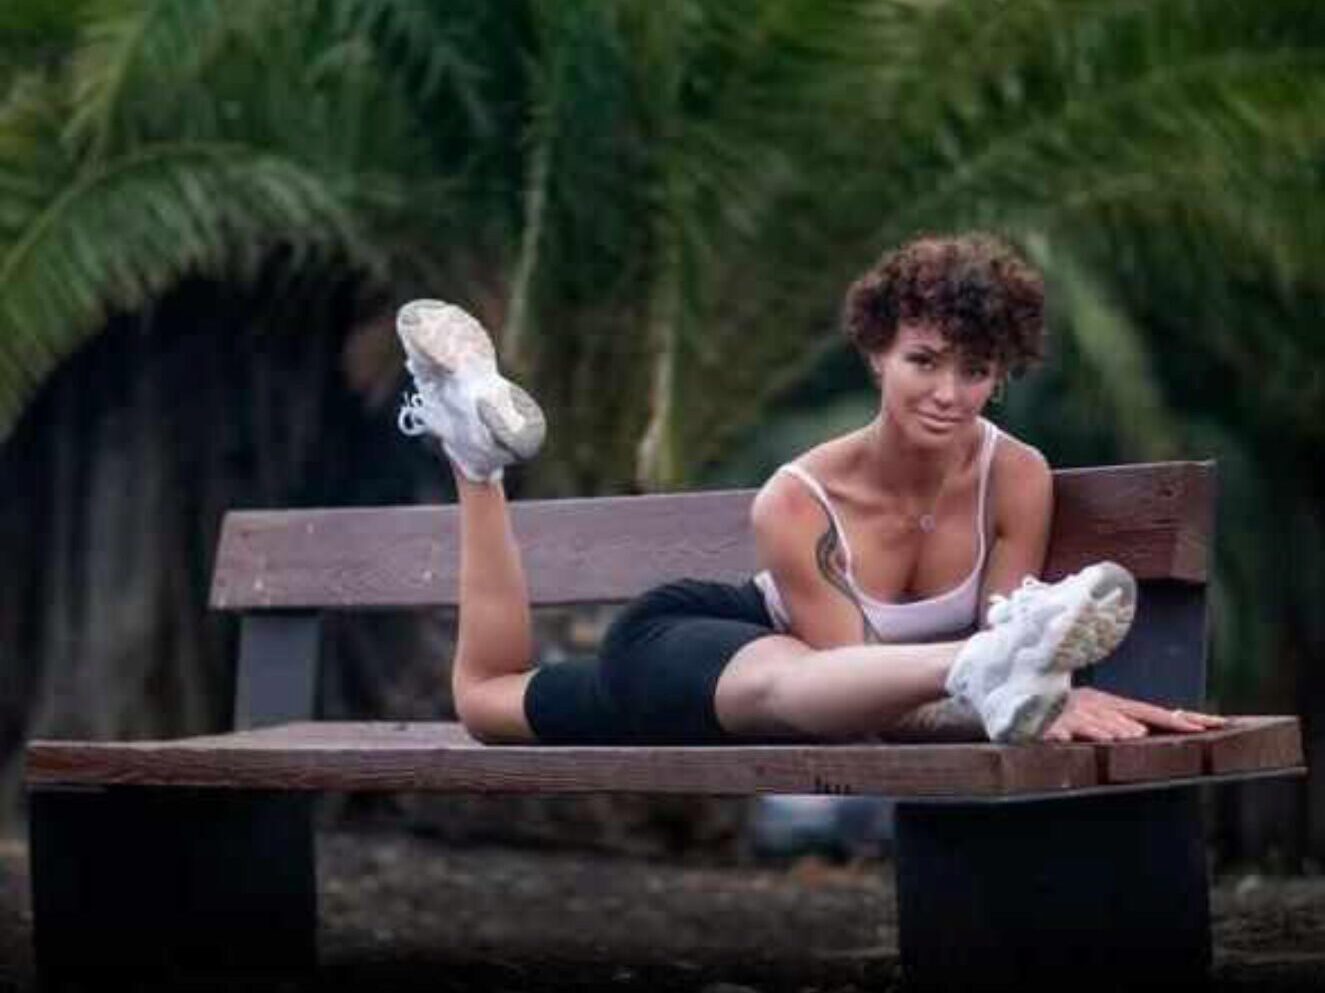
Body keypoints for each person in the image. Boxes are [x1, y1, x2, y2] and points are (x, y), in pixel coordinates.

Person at [395, 232, 1225, 746]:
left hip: (858, 687)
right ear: (875, 354)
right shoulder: (797, 502)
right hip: (694, 646)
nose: (948, 393)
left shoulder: (1015, 475)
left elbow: (999, 666)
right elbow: (869, 702)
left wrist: (1030, 691)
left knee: (488, 701)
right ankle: (472, 457)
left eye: (976, 370)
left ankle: (472, 448)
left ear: (1000, 374)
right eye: (923, 361)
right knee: (777, 680)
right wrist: (1006, 680)